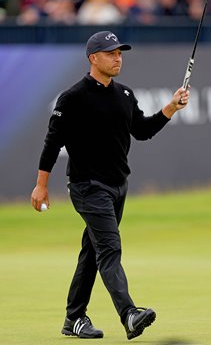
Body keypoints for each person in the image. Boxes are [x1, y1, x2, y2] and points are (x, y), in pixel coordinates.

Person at [31, 30, 190, 340]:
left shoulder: (125, 95)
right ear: (93, 58)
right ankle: (129, 314)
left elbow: (142, 131)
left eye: (120, 53)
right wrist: (41, 185)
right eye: (111, 53)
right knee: (109, 248)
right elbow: (53, 143)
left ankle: (74, 319)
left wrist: (170, 108)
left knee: (92, 252)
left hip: (118, 186)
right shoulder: (72, 98)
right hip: (87, 186)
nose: (118, 58)